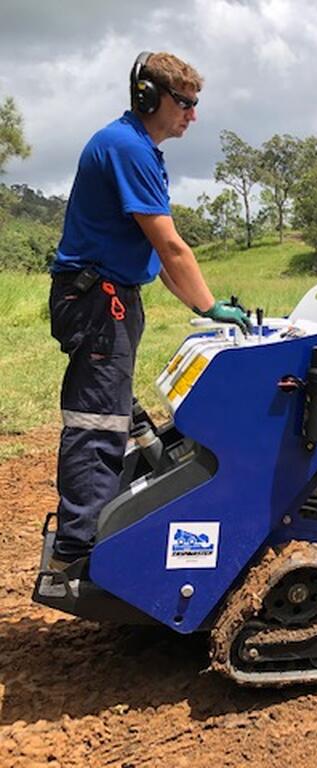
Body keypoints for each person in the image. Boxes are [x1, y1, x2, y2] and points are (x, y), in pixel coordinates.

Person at [48, 51, 249, 567]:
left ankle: (95, 529)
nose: (193, 115)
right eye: (184, 103)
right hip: (97, 299)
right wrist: (209, 305)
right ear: (149, 97)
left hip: (109, 297)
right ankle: (80, 550)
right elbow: (171, 247)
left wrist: (208, 309)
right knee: (98, 421)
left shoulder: (142, 151)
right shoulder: (126, 148)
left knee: (111, 412)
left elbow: (158, 262)